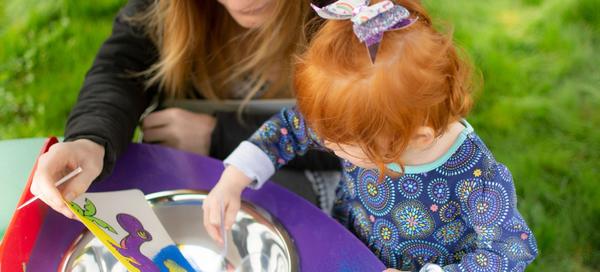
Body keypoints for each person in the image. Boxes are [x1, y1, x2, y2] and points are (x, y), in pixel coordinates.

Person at [203, 0, 538, 270]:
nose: (325, 143)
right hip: (349, 245)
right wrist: (235, 176)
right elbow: (291, 128)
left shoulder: (476, 176)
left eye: (342, 143)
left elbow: (511, 251)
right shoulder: (359, 124)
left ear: (416, 138)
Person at [29, 0, 340, 220]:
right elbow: (119, 68)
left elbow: (366, 134)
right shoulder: (162, 9)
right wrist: (90, 139)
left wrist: (218, 134)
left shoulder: (350, 14)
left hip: (331, 194)